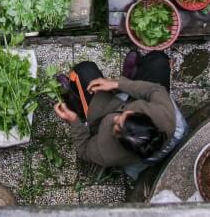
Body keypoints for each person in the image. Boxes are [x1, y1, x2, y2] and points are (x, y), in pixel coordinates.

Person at [53, 50, 188, 180]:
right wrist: (118, 84)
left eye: (117, 127)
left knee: (84, 70)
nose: (116, 118)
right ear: (142, 116)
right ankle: (130, 76)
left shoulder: (107, 153)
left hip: (104, 112)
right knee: (159, 60)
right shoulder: (163, 113)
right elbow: (154, 89)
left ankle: (76, 103)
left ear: (121, 143)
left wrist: (74, 121)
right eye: (124, 117)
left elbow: (83, 149)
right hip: (129, 100)